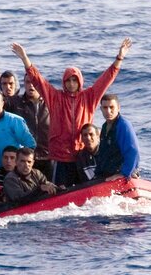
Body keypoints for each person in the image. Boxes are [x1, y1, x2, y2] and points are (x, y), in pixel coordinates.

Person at [11, 38, 133, 187]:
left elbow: (106, 79)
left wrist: (119, 58)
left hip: (83, 156)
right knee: (60, 192)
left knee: (87, 191)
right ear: (64, 82)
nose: (71, 84)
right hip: (60, 157)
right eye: (68, 80)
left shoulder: (89, 97)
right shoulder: (55, 97)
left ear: (80, 82)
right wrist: (25, 59)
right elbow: (38, 80)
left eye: (75, 80)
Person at [13, 73, 52, 180]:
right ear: (23, 84)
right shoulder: (16, 102)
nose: (31, 85)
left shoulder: (51, 103)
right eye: (28, 82)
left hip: (48, 156)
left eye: (34, 83)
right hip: (25, 158)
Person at [95, 94, 140, 182]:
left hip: (120, 173)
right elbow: (103, 153)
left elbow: (133, 150)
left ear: (118, 107)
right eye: (105, 107)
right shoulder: (104, 127)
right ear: (101, 109)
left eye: (112, 107)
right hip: (106, 173)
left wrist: (123, 173)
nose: (108, 111)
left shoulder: (123, 125)